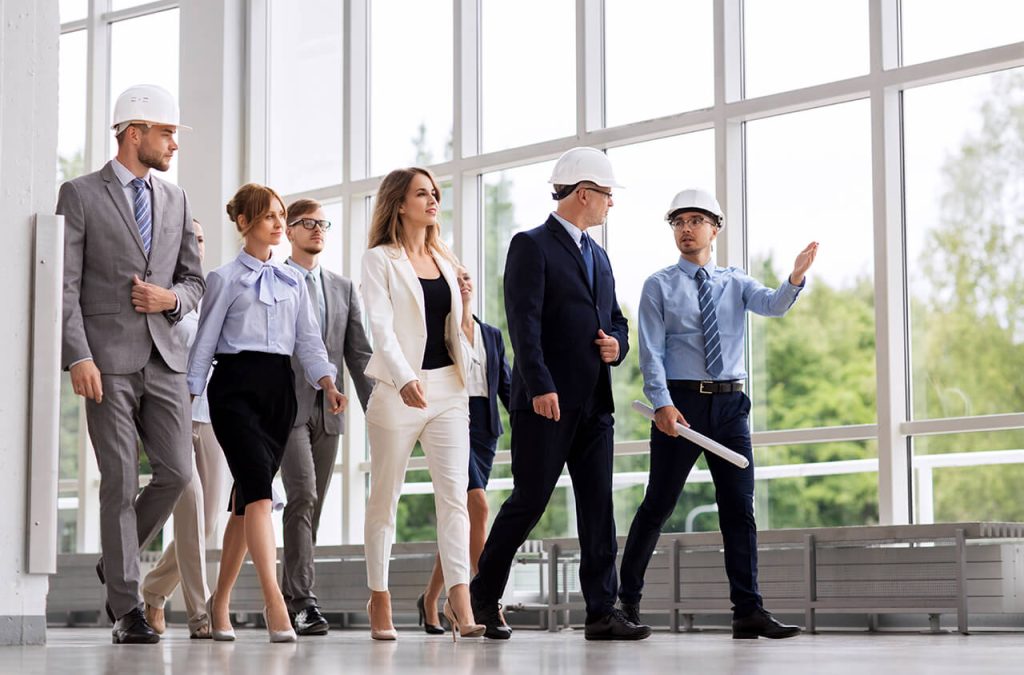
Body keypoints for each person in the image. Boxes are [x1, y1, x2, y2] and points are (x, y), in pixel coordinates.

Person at [617, 188, 818, 639]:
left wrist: (795, 278)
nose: (685, 229)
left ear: (715, 228)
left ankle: (748, 611)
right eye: (678, 222)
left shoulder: (735, 281)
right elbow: (650, 352)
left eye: (695, 220)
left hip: (730, 407)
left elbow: (774, 305)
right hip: (681, 406)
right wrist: (662, 403)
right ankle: (625, 601)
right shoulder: (658, 285)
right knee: (658, 505)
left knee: (738, 509)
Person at [469, 147, 649, 641]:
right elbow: (521, 324)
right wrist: (540, 385)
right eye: (608, 195)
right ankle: (483, 596)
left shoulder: (600, 254)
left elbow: (616, 319)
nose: (612, 204)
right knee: (529, 501)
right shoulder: (530, 245)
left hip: (595, 402)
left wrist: (619, 344)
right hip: (546, 403)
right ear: (585, 193)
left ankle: (601, 611)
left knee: (598, 510)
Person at [59, 84, 204, 644]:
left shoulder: (177, 199)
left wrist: (170, 301)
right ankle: (127, 608)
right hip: (107, 362)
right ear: (133, 133)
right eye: (166, 133)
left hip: (165, 359)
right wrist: (78, 355)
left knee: (176, 473)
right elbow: (65, 288)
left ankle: (113, 563)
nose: (173, 144)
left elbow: (193, 282)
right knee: (118, 481)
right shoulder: (79, 194)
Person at [187, 183, 347, 644]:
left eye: (281, 214)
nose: (279, 223)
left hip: (281, 395)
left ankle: (219, 604)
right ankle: (275, 603)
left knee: (244, 504)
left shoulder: (293, 280)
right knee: (260, 496)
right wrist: (189, 400)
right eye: (268, 216)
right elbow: (204, 347)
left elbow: (308, 342)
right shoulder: (222, 279)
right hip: (234, 391)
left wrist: (329, 383)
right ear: (244, 223)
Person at [360, 167, 484, 641]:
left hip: (449, 390)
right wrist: (405, 376)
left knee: (454, 499)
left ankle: (460, 604)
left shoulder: (445, 258)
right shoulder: (380, 260)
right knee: (384, 500)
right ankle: (380, 599)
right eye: (422, 194)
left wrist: (466, 305)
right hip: (398, 392)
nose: (433, 200)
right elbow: (382, 328)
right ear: (399, 204)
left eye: (435, 193)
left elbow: (461, 332)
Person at [279, 199, 374, 636]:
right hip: (283, 407)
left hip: (329, 411)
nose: (318, 230)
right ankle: (303, 601)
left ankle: (288, 594)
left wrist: (379, 410)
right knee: (301, 495)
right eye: (309, 224)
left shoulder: (342, 287)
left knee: (310, 506)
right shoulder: (274, 279)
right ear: (289, 230)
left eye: (323, 224)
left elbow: (358, 353)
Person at [140, 220, 231, 639]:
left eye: (201, 237)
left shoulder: (213, 290)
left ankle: (155, 591)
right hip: (171, 413)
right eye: (188, 238)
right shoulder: (157, 291)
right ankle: (200, 613)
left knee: (207, 521)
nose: (196, 243)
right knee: (190, 505)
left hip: (212, 415)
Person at [418, 267, 512, 635]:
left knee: (464, 517)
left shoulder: (491, 334)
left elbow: (505, 384)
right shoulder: (441, 332)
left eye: (467, 277)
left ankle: (432, 599)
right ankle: (482, 599)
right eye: (455, 279)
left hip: (485, 430)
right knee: (478, 505)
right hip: (451, 421)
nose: (463, 283)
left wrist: (529, 419)